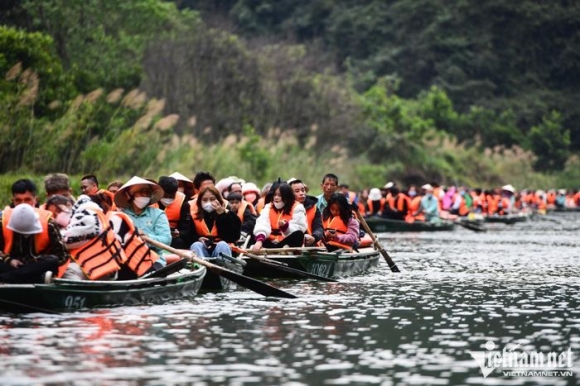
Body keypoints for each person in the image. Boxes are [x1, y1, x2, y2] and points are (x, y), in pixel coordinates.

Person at [0, 179, 70, 283]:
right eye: (18, 200)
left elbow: (62, 255)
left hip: (35, 266)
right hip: (12, 265)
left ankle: (7, 278)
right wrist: (9, 260)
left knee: (52, 261)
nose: (23, 204)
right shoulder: (3, 220)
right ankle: (24, 278)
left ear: (35, 200)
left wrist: (37, 259)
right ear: (13, 201)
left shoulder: (48, 222)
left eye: (27, 200)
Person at [62, 195, 125, 281]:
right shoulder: (102, 217)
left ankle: (80, 294)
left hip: (99, 269)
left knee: (67, 270)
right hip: (108, 266)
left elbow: (66, 242)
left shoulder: (88, 217)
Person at [114, 176, 170, 267]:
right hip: (128, 259)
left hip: (154, 259)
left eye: (147, 192)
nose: (145, 195)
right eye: (141, 192)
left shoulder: (158, 214)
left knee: (152, 273)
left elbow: (166, 240)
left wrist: (146, 237)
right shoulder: (121, 216)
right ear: (130, 195)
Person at [251, 181, 307, 252]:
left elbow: (300, 227)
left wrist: (286, 227)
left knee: (299, 234)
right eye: (275, 195)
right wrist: (259, 241)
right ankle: (263, 249)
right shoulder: (268, 207)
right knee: (253, 233)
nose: (276, 198)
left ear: (286, 196)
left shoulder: (298, 207)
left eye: (279, 195)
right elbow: (262, 224)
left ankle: (286, 251)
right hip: (270, 243)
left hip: (285, 243)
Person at [190, 186, 241, 258]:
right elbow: (187, 234)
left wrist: (221, 215)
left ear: (219, 200)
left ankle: (222, 267)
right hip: (204, 248)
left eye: (212, 199)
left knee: (222, 244)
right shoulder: (193, 215)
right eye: (204, 200)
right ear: (199, 202)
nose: (208, 203)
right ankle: (199, 266)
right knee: (196, 245)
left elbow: (233, 237)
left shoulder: (230, 215)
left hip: (221, 248)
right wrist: (197, 238)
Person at [157, 176, 194, 249]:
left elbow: (186, 227)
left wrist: (179, 233)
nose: (168, 198)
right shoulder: (151, 200)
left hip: (173, 237)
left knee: (179, 242)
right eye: (165, 195)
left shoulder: (183, 201)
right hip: (154, 234)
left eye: (171, 196)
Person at [288, 178, 323, 246]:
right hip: (291, 244)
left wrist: (314, 237)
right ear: (290, 194)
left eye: (303, 190)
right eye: (297, 191)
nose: (301, 193)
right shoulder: (286, 208)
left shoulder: (314, 208)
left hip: (311, 244)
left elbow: (318, 227)